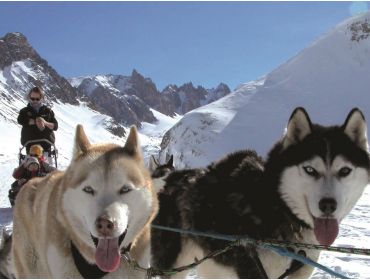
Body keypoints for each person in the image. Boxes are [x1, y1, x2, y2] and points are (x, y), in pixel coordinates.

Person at [17, 86, 58, 153]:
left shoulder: (48, 111)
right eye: (32, 98)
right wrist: (36, 121)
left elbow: (55, 126)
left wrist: (45, 122)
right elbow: (20, 120)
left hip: (46, 145)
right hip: (30, 146)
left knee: (45, 162)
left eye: (37, 99)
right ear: (29, 98)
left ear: (41, 98)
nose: (35, 101)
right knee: (33, 162)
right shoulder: (24, 111)